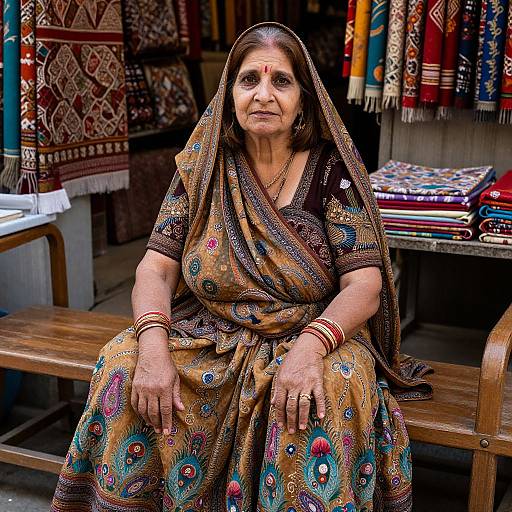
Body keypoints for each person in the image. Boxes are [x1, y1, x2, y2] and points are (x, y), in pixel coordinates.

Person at [51, 22, 431, 512]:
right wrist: (152, 343)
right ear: (229, 94)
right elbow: (155, 269)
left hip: (312, 332)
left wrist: (312, 346)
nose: (264, 95)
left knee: (320, 394)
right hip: (214, 333)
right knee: (125, 365)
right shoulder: (204, 168)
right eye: (250, 80)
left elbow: (365, 285)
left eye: (281, 81)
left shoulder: (331, 170)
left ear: (304, 99)